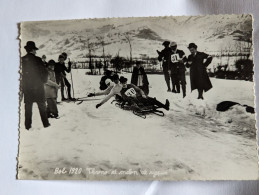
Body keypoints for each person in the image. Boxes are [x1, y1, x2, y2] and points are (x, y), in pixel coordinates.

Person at [21, 41, 50, 130]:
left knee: (28, 108)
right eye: (35, 50)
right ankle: (46, 125)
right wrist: (43, 81)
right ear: (33, 50)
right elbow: (45, 73)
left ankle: (27, 126)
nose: (36, 52)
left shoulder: (22, 60)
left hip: (27, 88)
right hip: (38, 88)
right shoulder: (38, 60)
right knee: (42, 106)